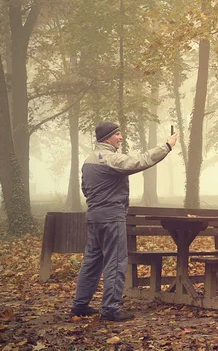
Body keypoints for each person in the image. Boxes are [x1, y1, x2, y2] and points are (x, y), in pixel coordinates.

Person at [70, 121, 178, 322]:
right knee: (116, 261)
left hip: (94, 217)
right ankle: (110, 309)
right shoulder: (110, 158)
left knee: (92, 261)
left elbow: (85, 189)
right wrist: (167, 146)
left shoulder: (88, 161)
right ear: (107, 137)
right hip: (111, 217)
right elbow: (140, 161)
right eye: (117, 134)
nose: (120, 137)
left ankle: (80, 305)